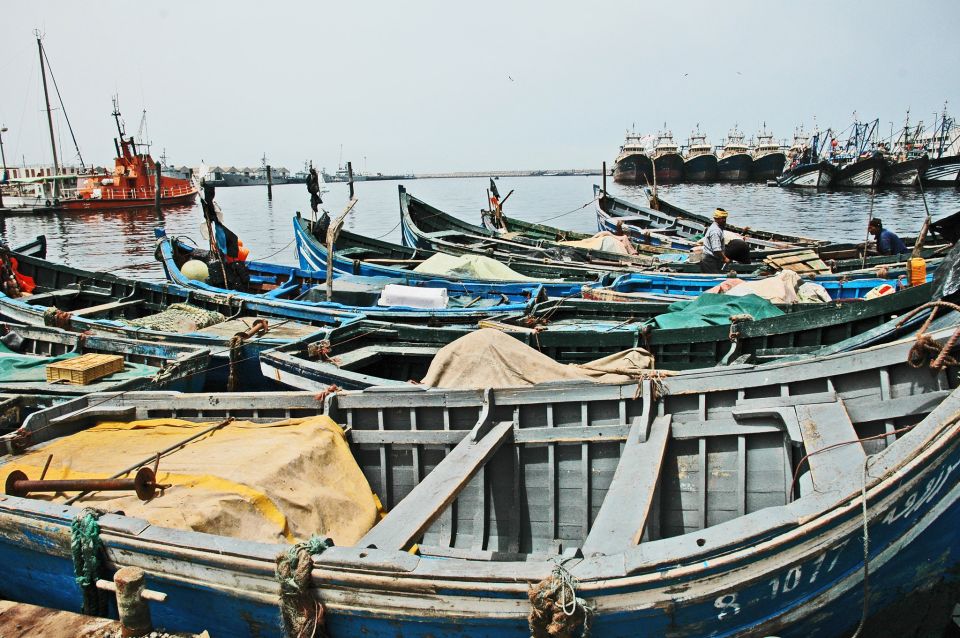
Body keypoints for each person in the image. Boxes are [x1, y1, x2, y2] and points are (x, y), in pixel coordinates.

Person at [700, 208, 729, 273]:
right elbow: (716, 249)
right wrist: (724, 258)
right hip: (709, 260)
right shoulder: (715, 231)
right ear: (716, 218)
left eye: (725, 218)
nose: (724, 220)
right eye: (722, 218)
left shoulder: (715, 227)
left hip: (711, 259)